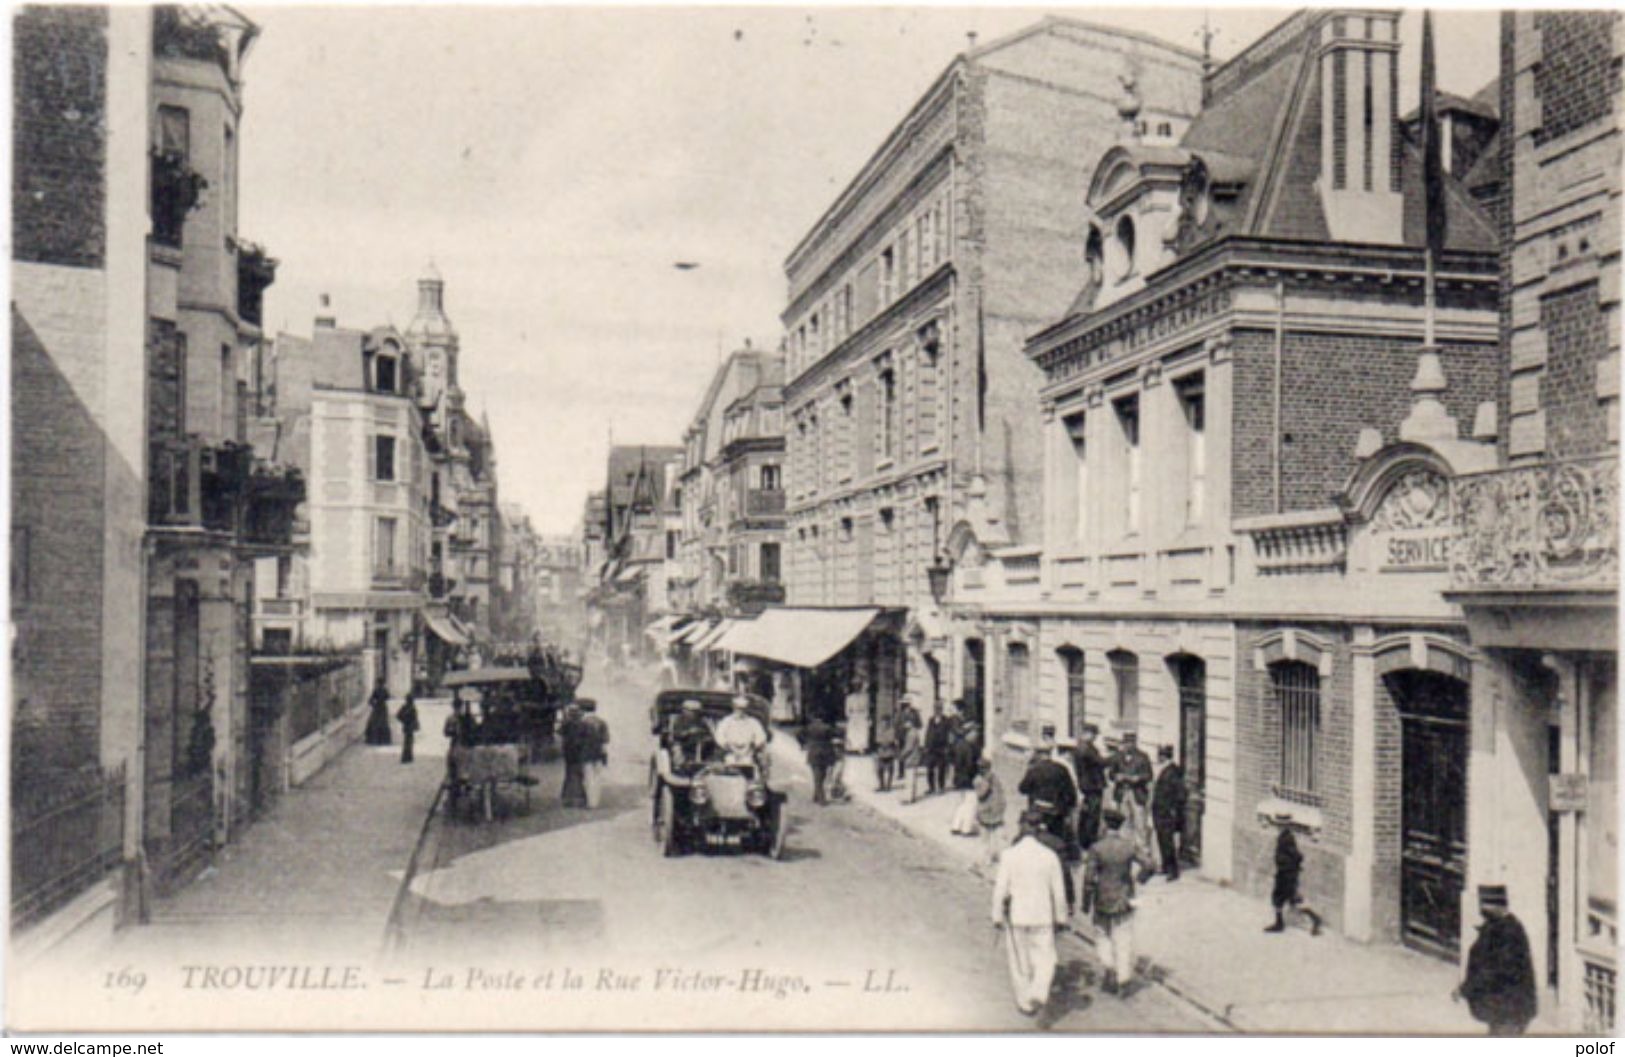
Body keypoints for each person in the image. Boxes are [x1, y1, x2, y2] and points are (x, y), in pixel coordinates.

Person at [991, 811, 1070, 1018]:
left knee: (1019, 961)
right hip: (1042, 916)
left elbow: (1000, 888)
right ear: (1039, 828)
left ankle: (1025, 1001)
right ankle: (1039, 991)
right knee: (1046, 958)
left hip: (1018, 916)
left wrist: (997, 915)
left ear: (1021, 826)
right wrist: (1061, 918)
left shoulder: (1009, 855)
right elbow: (1058, 891)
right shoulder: (1049, 856)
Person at [1454, 884, 1537, 1036]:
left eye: (1485, 906)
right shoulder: (1498, 926)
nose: (1482, 911)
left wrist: (1466, 988)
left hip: (1510, 1010)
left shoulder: (1507, 932)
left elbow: (1494, 970)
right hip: (1504, 1009)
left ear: (1498, 906)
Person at [1083, 807, 1148, 996]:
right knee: (1124, 938)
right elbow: (1150, 864)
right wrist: (1138, 880)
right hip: (1125, 898)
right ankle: (1124, 978)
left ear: (1105, 824)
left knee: (1103, 935)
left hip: (1102, 899)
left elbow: (1089, 879)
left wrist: (1086, 903)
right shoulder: (1129, 846)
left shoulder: (1097, 848)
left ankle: (1109, 967)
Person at [1107, 730, 1155, 878]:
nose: (1128, 745)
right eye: (1126, 742)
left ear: (1135, 743)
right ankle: (1125, 851)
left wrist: (1137, 778)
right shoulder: (1118, 757)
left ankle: (1143, 853)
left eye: (1131, 742)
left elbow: (1149, 775)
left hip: (1136, 794)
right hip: (1122, 793)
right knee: (1124, 822)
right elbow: (1111, 774)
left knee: (1140, 824)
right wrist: (1117, 777)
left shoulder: (1143, 757)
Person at [1264, 813, 1323, 935]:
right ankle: (1314, 919)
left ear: (1284, 825)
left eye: (1279, 825)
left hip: (1286, 875)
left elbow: (1297, 856)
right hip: (1285, 873)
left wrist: (1289, 868)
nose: (1277, 826)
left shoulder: (1286, 838)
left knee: (1283, 898)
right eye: (1277, 824)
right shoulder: (1284, 836)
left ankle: (1313, 919)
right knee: (1289, 899)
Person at [1150, 745, 1187, 881]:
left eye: (1160, 755)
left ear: (1164, 756)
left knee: (1168, 841)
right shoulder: (1164, 770)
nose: (1158, 758)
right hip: (1160, 811)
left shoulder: (1173, 772)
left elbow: (1180, 794)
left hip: (1167, 813)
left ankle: (1173, 870)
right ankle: (1166, 865)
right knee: (1162, 839)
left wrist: (1174, 810)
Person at [1074, 723, 1107, 853]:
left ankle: (1084, 840)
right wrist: (1116, 757)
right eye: (1093, 734)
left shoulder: (1082, 747)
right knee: (1092, 815)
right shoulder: (1087, 749)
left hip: (1087, 785)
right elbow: (1101, 762)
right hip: (1092, 786)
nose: (1094, 737)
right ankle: (1088, 841)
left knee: (1086, 813)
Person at [715, 694, 769, 769]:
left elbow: (760, 737)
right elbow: (720, 736)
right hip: (730, 752)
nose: (740, 711)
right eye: (738, 709)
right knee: (730, 763)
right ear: (734, 708)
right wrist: (727, 745)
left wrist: (753, 744)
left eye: (742, 709)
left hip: (748, 753)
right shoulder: (726, 722)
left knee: (748, 765)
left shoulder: (752, 722)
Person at [974, 758, 1007, 867]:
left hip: (987, 811)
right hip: (997, 810)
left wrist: (977, 784)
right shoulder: (995, 777)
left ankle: (985, 859)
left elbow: (981, 794)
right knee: (997, 836)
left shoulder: (984, 779)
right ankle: (999, 857)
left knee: (985, 838)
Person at [578, 699, 609, 808]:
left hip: (586, 753)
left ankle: (590, 802)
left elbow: (579, 741)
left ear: (583, 710)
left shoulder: (582, 723)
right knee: (597, 777)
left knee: (588, 778)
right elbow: (605, 741)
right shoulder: (602, 722)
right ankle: (596, 801)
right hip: (599, 753)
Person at [801, 714, 838, 805]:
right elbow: (836, 734)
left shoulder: (809, 727)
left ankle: (817, 795)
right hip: (826, 752)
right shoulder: (827, 728)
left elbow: (798, 734)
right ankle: (822, 799)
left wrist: (803, 744)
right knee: (822, 775)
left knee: (817, 775)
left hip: (814, 752)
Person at [558, 702, 588, 808]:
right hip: (579, 751)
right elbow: (586, 738)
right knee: (579, 774)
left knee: (569, 774)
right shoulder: (583, 724)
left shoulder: (566, 724)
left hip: (569, 751)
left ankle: (567, 798)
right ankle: (580, 798)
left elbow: (560, 734)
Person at [924, 703, 953, 795]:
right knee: (929, 769)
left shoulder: (946, 720)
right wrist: (926, 746)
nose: (937, 711)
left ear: (941, 710)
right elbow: (928, 733)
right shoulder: (931, 720)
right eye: (936, 709)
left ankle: (941, 787)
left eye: (939, 709)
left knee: (941, 769)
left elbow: (949, 734)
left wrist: (948, 747)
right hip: (931, 749)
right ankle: (931, 788)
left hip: (941, 748)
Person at [897, 700, 924, 802]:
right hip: (913, 757)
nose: (904, 725)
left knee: (910, 779)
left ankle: (909, 798)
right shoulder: (913, 732)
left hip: (911, 758)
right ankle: (910, 797)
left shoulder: (911, 733)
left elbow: (909, 748)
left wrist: (902, 756)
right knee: (911, 778)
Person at [874, 712, 899, 792]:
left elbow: (892, 740)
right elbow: (877, 739)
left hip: (889, 752)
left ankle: (888, 786)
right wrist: (883, 742)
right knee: (879, 770)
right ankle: (881, 785)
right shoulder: (879, 729)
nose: (884, 723)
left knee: (890, 770)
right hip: (881, 752)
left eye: (886, 721)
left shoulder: (892, 730)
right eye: (883, 721)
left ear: (889, 722)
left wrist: (886, 742)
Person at [364, 680, 392, 746]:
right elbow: (388, 697)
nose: (380, 685)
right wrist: (374, 704)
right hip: (381, 708)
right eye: (380, 684)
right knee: (382, 723)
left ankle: (375, 739)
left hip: (379, 708)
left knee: (376, 723)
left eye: (380, 684)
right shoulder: (382, 690)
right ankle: (382, 740)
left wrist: (374, 704)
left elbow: (370, 700)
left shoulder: (378, 690)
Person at [396, 692, 420, 764]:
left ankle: (406, 756)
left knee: (407, 741)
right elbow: (415, 718)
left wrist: (403, 720)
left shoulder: (405, 707)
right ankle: (408, 756)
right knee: (409, 742)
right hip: (410, 726)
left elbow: (398, 716)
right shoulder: (412, 708)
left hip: (406, 726)